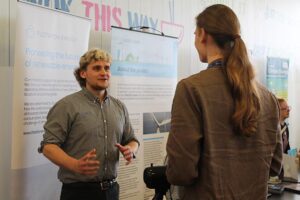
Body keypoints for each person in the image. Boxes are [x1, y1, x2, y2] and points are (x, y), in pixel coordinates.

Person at [166, 4, 282, 200]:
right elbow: (275, 166)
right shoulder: (268, 97)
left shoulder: (191, 89)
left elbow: (181, 172)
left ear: (203, 34)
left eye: (194, 34)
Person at [38, 48, 139, 200]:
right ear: (83, 74)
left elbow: (132, 139)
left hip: (111, 190)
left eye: (107, 68)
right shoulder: (66, 106)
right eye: (97, 68)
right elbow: (48, 147)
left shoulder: (119, 107)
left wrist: (130, 150)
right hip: (78, 192)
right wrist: (75, 165)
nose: (104, 72)